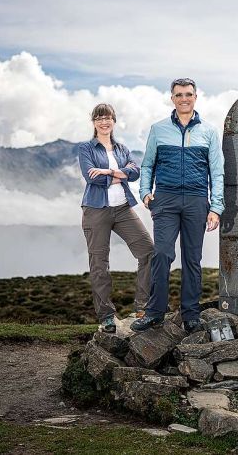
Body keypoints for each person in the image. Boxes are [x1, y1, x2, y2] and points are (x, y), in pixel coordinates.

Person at [130, 78, 224, 333]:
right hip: (166, 200)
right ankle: (155, 313)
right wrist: (145, 193)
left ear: (196, 97)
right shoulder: (159, 129)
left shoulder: (208, 131)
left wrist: (216, 207)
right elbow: (148, 164)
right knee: (161, 254)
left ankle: (191, 315)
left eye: (189, 94)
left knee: (192, 259)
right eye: (179, 94)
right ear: (172, 98)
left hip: (196, 201)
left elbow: (216, 172)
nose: (184, 98)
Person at [78, 103, 154, 333]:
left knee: (149, 251)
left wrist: (109, 172)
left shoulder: (121, 148)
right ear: (94, 122)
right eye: (99, 118)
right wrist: (119, 175)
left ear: (114, 121)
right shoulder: (86, 148)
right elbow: (91, 177)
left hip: (123, 209)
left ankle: (143, 306)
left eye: (108, 118)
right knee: (99, 264)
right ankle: (107, 316)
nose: (104, 122)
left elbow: (135, 172)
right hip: (96, 210)